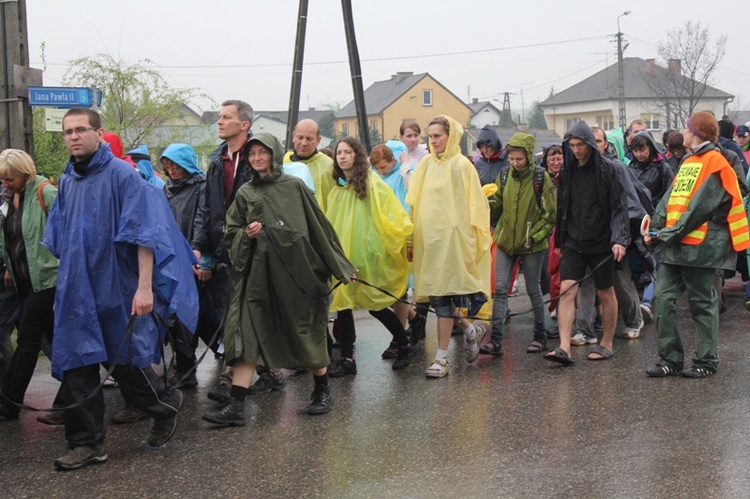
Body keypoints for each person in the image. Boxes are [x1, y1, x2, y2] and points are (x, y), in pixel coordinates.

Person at [42, 107, 199, 470]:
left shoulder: (123, 176)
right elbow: (64, 241)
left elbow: (145, 236)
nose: (73, 137)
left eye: (81, 130)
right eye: (68, 132)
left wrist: (144, 289)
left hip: (117, 285)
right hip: (76, 288)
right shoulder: (67, 180)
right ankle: (87, 445)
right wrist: (61, 292)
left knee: (125, 361)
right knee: (77, 365)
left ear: (99, 133)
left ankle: (165, 405)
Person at [202, 133, 355, 426]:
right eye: (252, 154)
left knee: (303, 332)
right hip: (257, 278)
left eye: (263, 152)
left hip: (296, 276)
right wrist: (246, 236)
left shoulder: (295, 188)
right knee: (247, 334)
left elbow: (319, 229)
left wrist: (341, 267)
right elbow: (231, 233)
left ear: (274, 154)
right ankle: (236, 406)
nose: (257, 158)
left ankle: (322, 391)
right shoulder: (246, 193)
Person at [645, 110, 750, 378]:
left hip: (701, 248)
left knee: (702, 305)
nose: (684, 131)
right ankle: (670, 359)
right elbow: (671, 198)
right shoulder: (689, 162)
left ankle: (706, 361)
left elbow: (698, 209)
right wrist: (656, 227)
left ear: (698, 132)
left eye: (688, 128)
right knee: (663, 300)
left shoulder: (716, 162)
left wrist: (664, 234)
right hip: (677, 246)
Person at [193, 100, 276, 402]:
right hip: (223, 246)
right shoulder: (216, 160)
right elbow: (207, 207)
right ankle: (270, 371)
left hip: (254, 248)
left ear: (244, 124)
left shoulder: (258, 157)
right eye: (219, 117)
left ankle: (230, 380)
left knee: (239, 314)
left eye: (226, 117)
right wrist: (201, 249)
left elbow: (271, 200)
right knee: (232, 312)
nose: (219, 122)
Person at [405, 115, 492, 378]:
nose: (433, 141)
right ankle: (470, 330)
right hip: (430, 241)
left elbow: (476, 205)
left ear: (450, 135)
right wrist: (410, 238)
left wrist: (472, 239)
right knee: (439, 294)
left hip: (454, 243)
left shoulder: (461, 166)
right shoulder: (424, 166)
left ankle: (441, 358)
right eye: (430, 136)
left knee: (447, 296)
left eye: (438, 136)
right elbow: (414, 203)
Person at [326, 138, 416, 376]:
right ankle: (347, 359)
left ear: (357, 155)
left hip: (367, 254)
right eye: (339, 152)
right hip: (344, 256)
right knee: (343, 305)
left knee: (376, 305)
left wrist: (401, 238)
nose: (342, 156)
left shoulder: (370, 182)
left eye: (347, 152)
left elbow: (390, 211)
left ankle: (404, 344)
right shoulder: (338, 186)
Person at [544, 121, 628, 366]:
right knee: (567, 290)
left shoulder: (609, 170)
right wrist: (560, 240)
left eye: (580, 145)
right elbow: (563, 208)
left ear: (590, 144)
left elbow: (619, 207)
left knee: (605, 292)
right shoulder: (568, 172)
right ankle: (563, 347)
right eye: (572, 145)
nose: (576, 150)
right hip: (573, 241)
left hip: (602, 243)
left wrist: (619, 240)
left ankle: (607, 343)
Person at [481, 133, 556, 357]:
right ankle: (495, 341)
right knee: (500, 289)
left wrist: (534, 235)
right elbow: (499, 205)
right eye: (512, 159)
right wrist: (484, 201)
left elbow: (550, 215)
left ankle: (539, 336)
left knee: (533, 288)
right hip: (505, 241)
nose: (514, 163)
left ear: (529, 156)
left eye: (519, 159)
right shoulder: (504, 176)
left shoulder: (541, 177)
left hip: (531, 243)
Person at [0, 150, 60, 422]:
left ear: (25, 173)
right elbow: (13, 239)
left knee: (27, 340)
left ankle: (9, 402)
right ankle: (79, 390)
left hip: (47, 282)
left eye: (9, 179)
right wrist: (10, 269)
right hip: (25, 281)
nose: (5, 184)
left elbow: (64, 236)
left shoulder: (45, 194)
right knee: (58, 341)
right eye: (2, 179)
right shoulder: (11, 198)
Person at [160, 143, 209, 389]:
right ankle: (183, 363)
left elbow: (202, 218)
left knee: (190, 314)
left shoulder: (201, 186)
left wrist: (196, 252)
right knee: (173, 315)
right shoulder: (166, 189)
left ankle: (188, 366)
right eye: (167, 166)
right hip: (170, 260)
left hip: (192, 258)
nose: (171, 171)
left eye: (175, 166)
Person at [369, 142, 426, 349]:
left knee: (399, 289)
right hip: (382, 235)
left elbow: (414, 188)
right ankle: (414, 317)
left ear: (394, 160)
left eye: (384, 167)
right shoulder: (375, 176)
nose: (380, 171)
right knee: (389, 287)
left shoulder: (403, 174)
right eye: (377, 168)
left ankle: (398, 339)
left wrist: (405, 165)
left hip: (401, 235)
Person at [284, 118, 337, 212]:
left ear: (318, 140)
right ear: (293, 136)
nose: (304, 143)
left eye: (309, 139)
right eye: (300, 138)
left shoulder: (330, 166)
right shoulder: (282, 164)